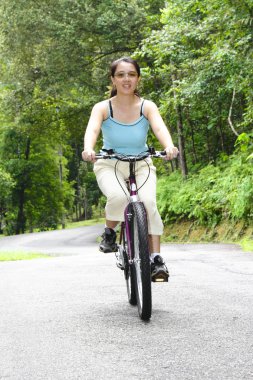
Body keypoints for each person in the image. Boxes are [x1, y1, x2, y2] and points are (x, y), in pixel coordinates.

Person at [82, 57, 178, 281]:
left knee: (149, 203)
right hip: (110, 163)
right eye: (121, 75)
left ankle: (156, 259)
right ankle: (109, 232)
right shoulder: (102, 108)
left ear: (138, 78)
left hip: (142, 162)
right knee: (118, 196)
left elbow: (159, 127)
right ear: (113, 79)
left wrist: (169, 146)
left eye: (131, 74)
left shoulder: (147, 106)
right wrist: (88, 148)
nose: (127, 79)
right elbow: (93, 130)